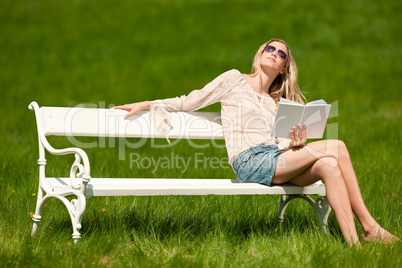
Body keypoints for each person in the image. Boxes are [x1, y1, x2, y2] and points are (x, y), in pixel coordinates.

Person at [113, 39, 399, 246]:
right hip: (249, 160)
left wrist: (296, 143)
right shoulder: (234, 80)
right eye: (269, 48)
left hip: (276, 159)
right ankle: (370, 226)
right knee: (337, 146)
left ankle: (354, 246)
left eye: (281, 53)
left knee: (329, 165)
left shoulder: (278, 102)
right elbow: (191, 99)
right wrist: (149, 103)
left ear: (286, 66)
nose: (274, 53)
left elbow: (280, 143)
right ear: (260, 54)